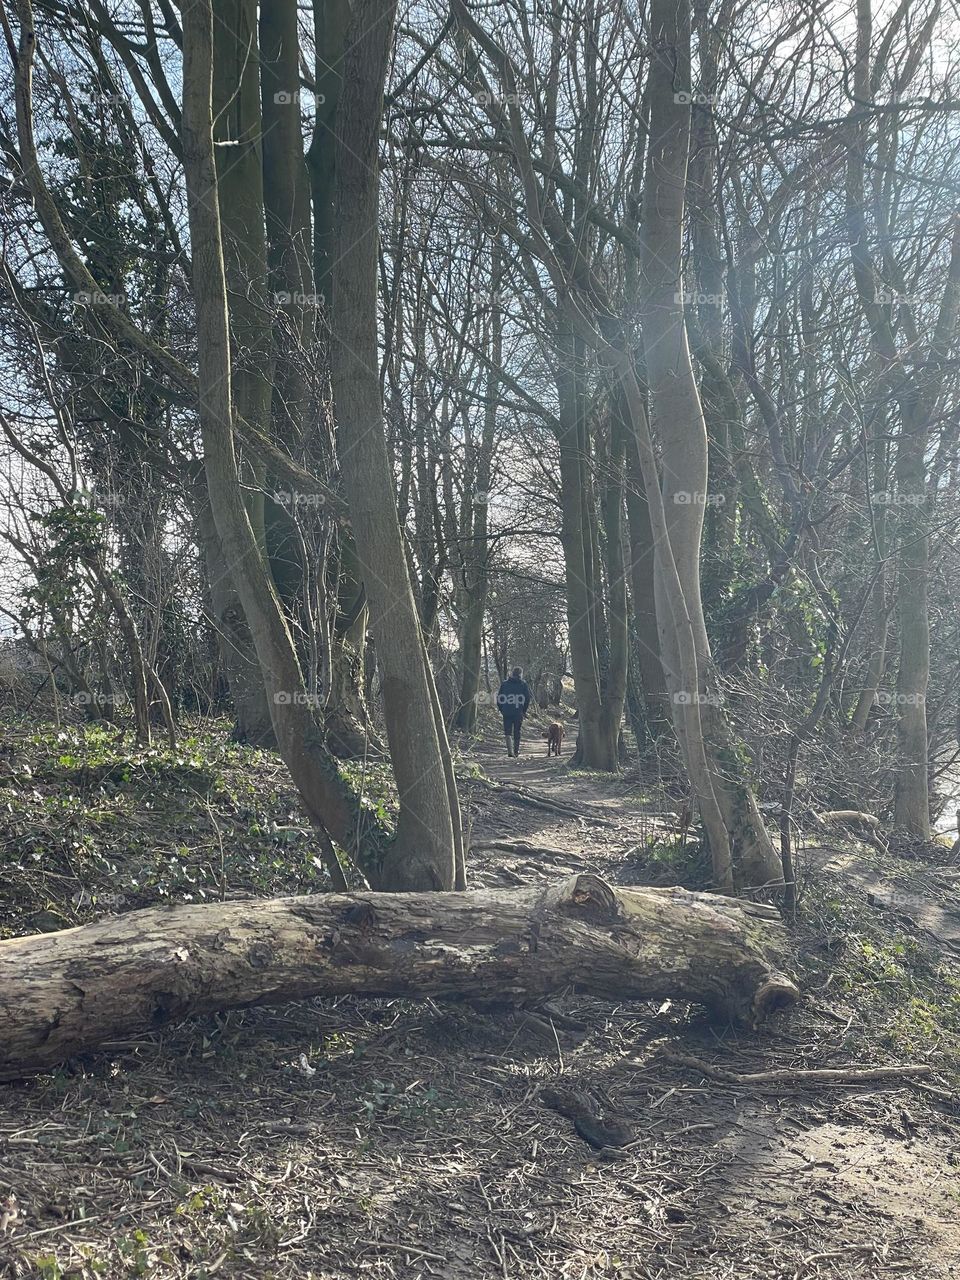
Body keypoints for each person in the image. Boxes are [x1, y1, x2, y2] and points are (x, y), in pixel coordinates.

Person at [497, 666, 531, 758]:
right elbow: (527, 699)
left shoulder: (504, 684)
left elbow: (499, 698)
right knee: (517, 731)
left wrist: (502, 709)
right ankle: (516, 751)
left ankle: (510, 751)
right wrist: (524, 711)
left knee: (507, 731)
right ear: (520, 674)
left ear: (512, 673)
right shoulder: (523, 684)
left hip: (506, 711)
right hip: (518, 712)